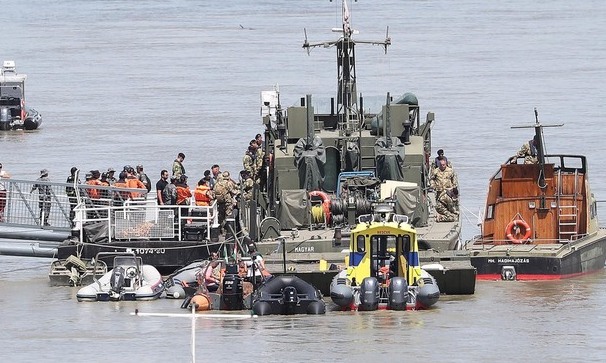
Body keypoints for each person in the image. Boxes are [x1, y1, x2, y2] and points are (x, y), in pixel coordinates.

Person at [430, 157, 459, 222]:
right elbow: (432, 179)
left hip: (448, 190)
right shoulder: (436, 171)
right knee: (440, 203)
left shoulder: (450, 171)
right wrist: (433, 185)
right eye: (441, 165)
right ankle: (442, 215)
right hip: (439, 190)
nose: (442, 166)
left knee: (450, 203)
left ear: (446, 164)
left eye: (444, 165)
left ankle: (450, 213)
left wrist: (454, 188)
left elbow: (454, 180)